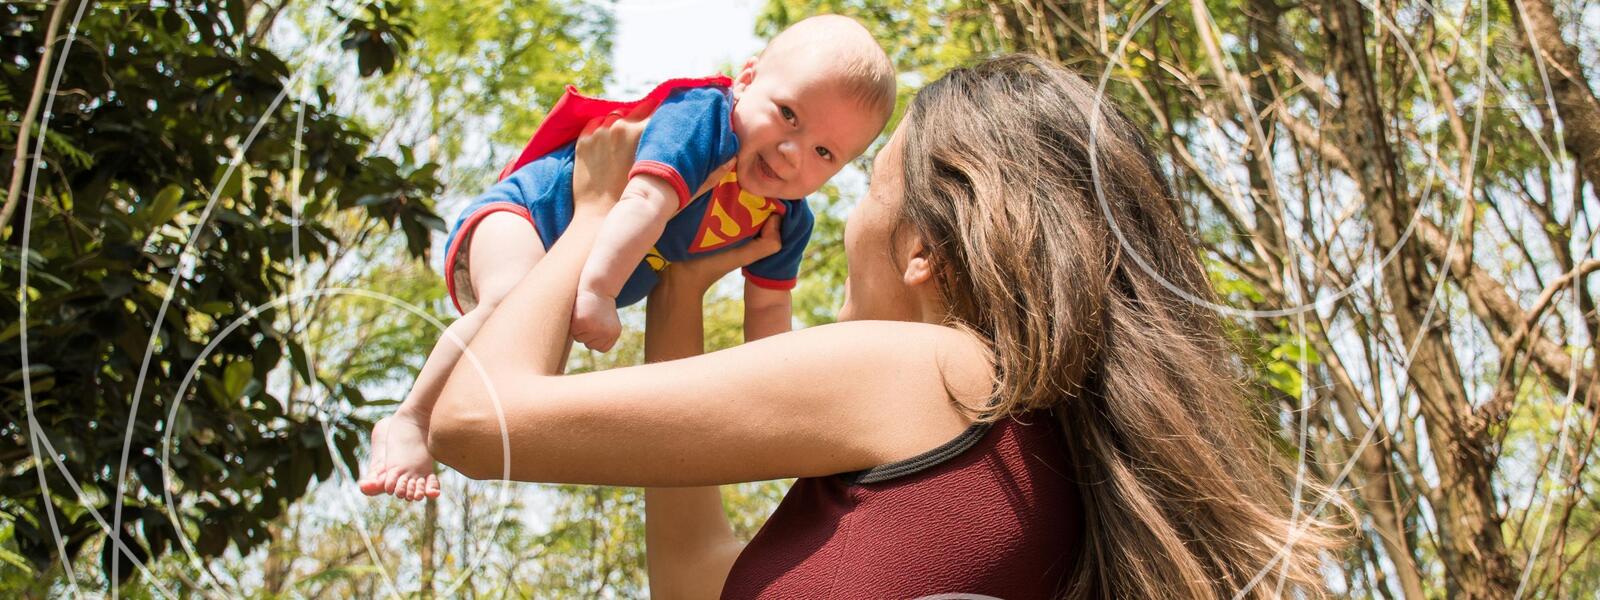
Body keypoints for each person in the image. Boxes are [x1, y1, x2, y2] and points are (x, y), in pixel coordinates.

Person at [424, 54, 1342, 598]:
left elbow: (477, 421)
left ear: (921, 252)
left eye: (865, 185)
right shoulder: (1026, 448)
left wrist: (591, 216)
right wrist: (680, 289)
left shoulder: (926, 370)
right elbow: (699, 578)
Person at [359, 14, 897, 500]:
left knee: (530, 371)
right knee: (508, 299)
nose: (792, 153)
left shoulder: (785, 220)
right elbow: (643, 200)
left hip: (574, 267)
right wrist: (598, 290)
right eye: (787, 115)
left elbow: (768, 316)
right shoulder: (703, 121)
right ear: (748, 79)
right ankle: (410, 418)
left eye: (824, 152)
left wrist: (784, 404)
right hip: (529, 215)